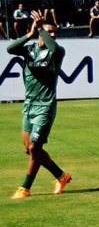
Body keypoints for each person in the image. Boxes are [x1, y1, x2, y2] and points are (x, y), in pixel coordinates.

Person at [8, 11, 71, 199]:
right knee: (29, 149)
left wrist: (42, 29)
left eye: (54, 33)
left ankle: (25, 188)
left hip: (45, 105)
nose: (52, 35)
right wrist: (32, 33)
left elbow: (53, 47)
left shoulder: (57, 52)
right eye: (49, 32)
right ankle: (61, 176)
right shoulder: (29, 49)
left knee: (35, 148)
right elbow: (10, 49)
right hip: (29, 105)